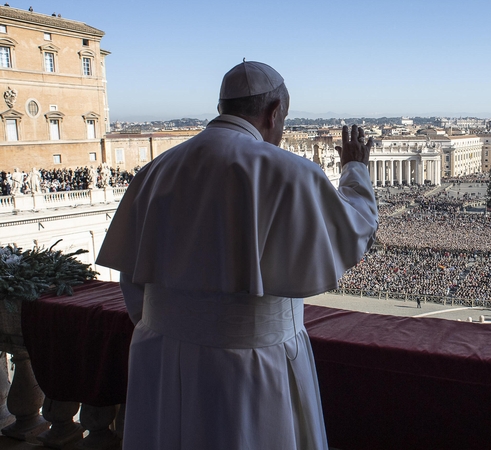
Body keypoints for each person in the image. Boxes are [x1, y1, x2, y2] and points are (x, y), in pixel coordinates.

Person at [96, 61, 378, 450]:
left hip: (163, 358)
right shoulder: (290, 171)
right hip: (253, 365)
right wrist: (355, 170)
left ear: (221, 106)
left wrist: (180, 325)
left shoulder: (154, 171)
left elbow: (134, 285)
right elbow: (356, 228)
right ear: (274, 111)